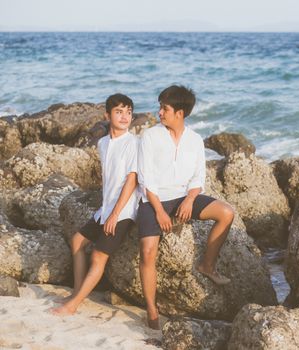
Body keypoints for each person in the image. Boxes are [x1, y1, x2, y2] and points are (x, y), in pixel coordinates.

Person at [137, 85, 234, 329]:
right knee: (148, 251)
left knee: (226, 213)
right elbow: (146, 179)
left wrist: (190, 200)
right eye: (160, 107)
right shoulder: (150, 136)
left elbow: (198, 178)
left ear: (180, 113)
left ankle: (207, 265)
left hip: (183, 197)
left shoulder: (194, 140)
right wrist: (159, 212)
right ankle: (152, 309)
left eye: (164, 108)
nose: (160, 112)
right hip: (153, 199)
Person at [51, 93, 139, 316]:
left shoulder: (133, 143)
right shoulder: (103, 143)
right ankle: (78, 291)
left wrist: (115, 214)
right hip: (106, 208)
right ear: (107, 115)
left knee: (98, 256)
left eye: (128, 112)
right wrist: (106, 211)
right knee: (77, 241)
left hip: (125, 210)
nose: (124, 116)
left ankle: (73, 305)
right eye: (119, 112)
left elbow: (132, 180)